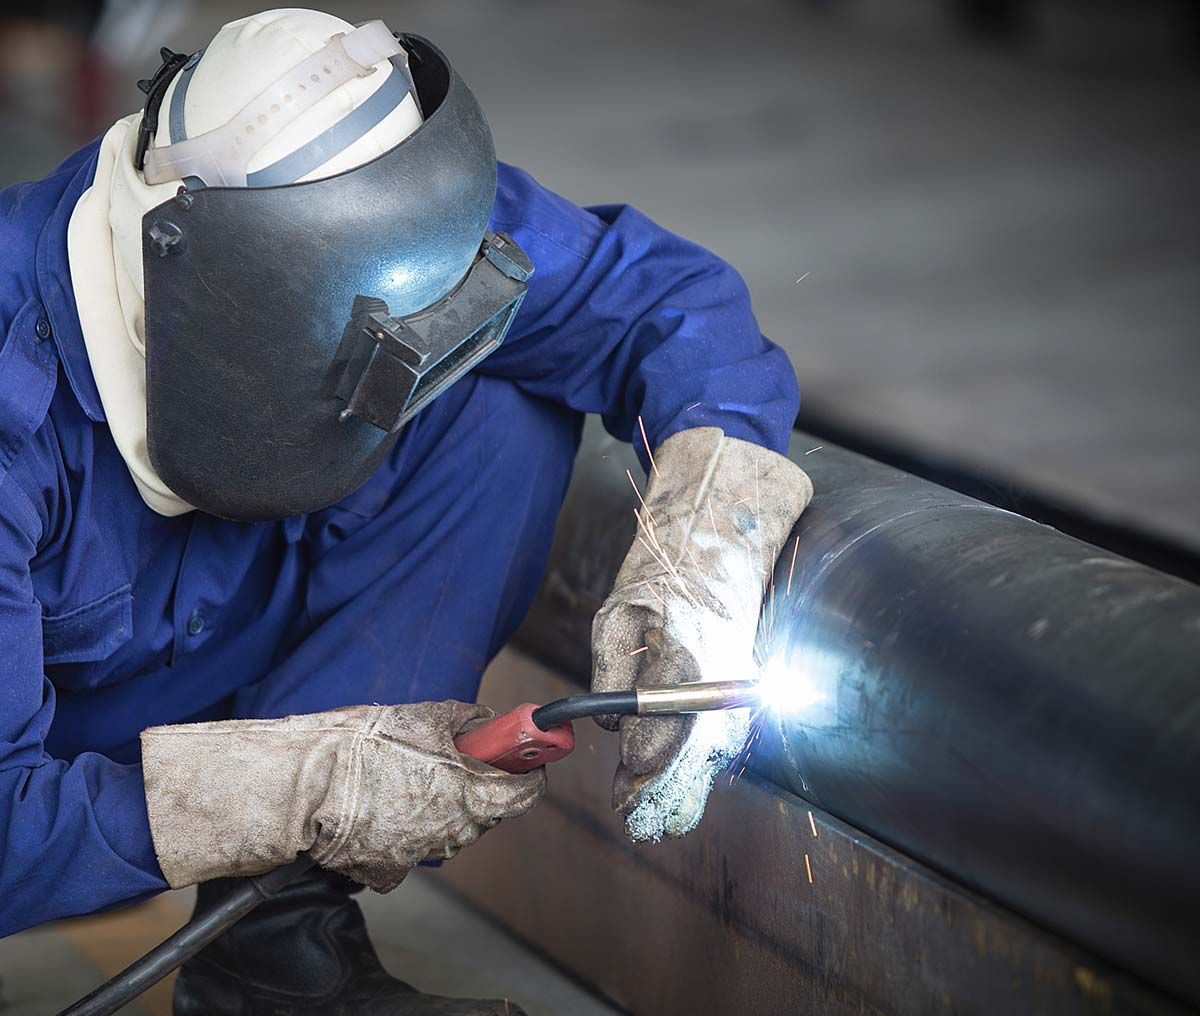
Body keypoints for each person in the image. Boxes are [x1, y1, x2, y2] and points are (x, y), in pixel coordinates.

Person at [0, 9, 812, 1014]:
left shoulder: (354, 213)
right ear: (217, 291)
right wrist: (307, 785)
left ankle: (277, 941)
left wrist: (707, 544)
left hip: (226, 648)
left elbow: (654, 297)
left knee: (502, 393)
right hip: (45, 774)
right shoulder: (19, 387)